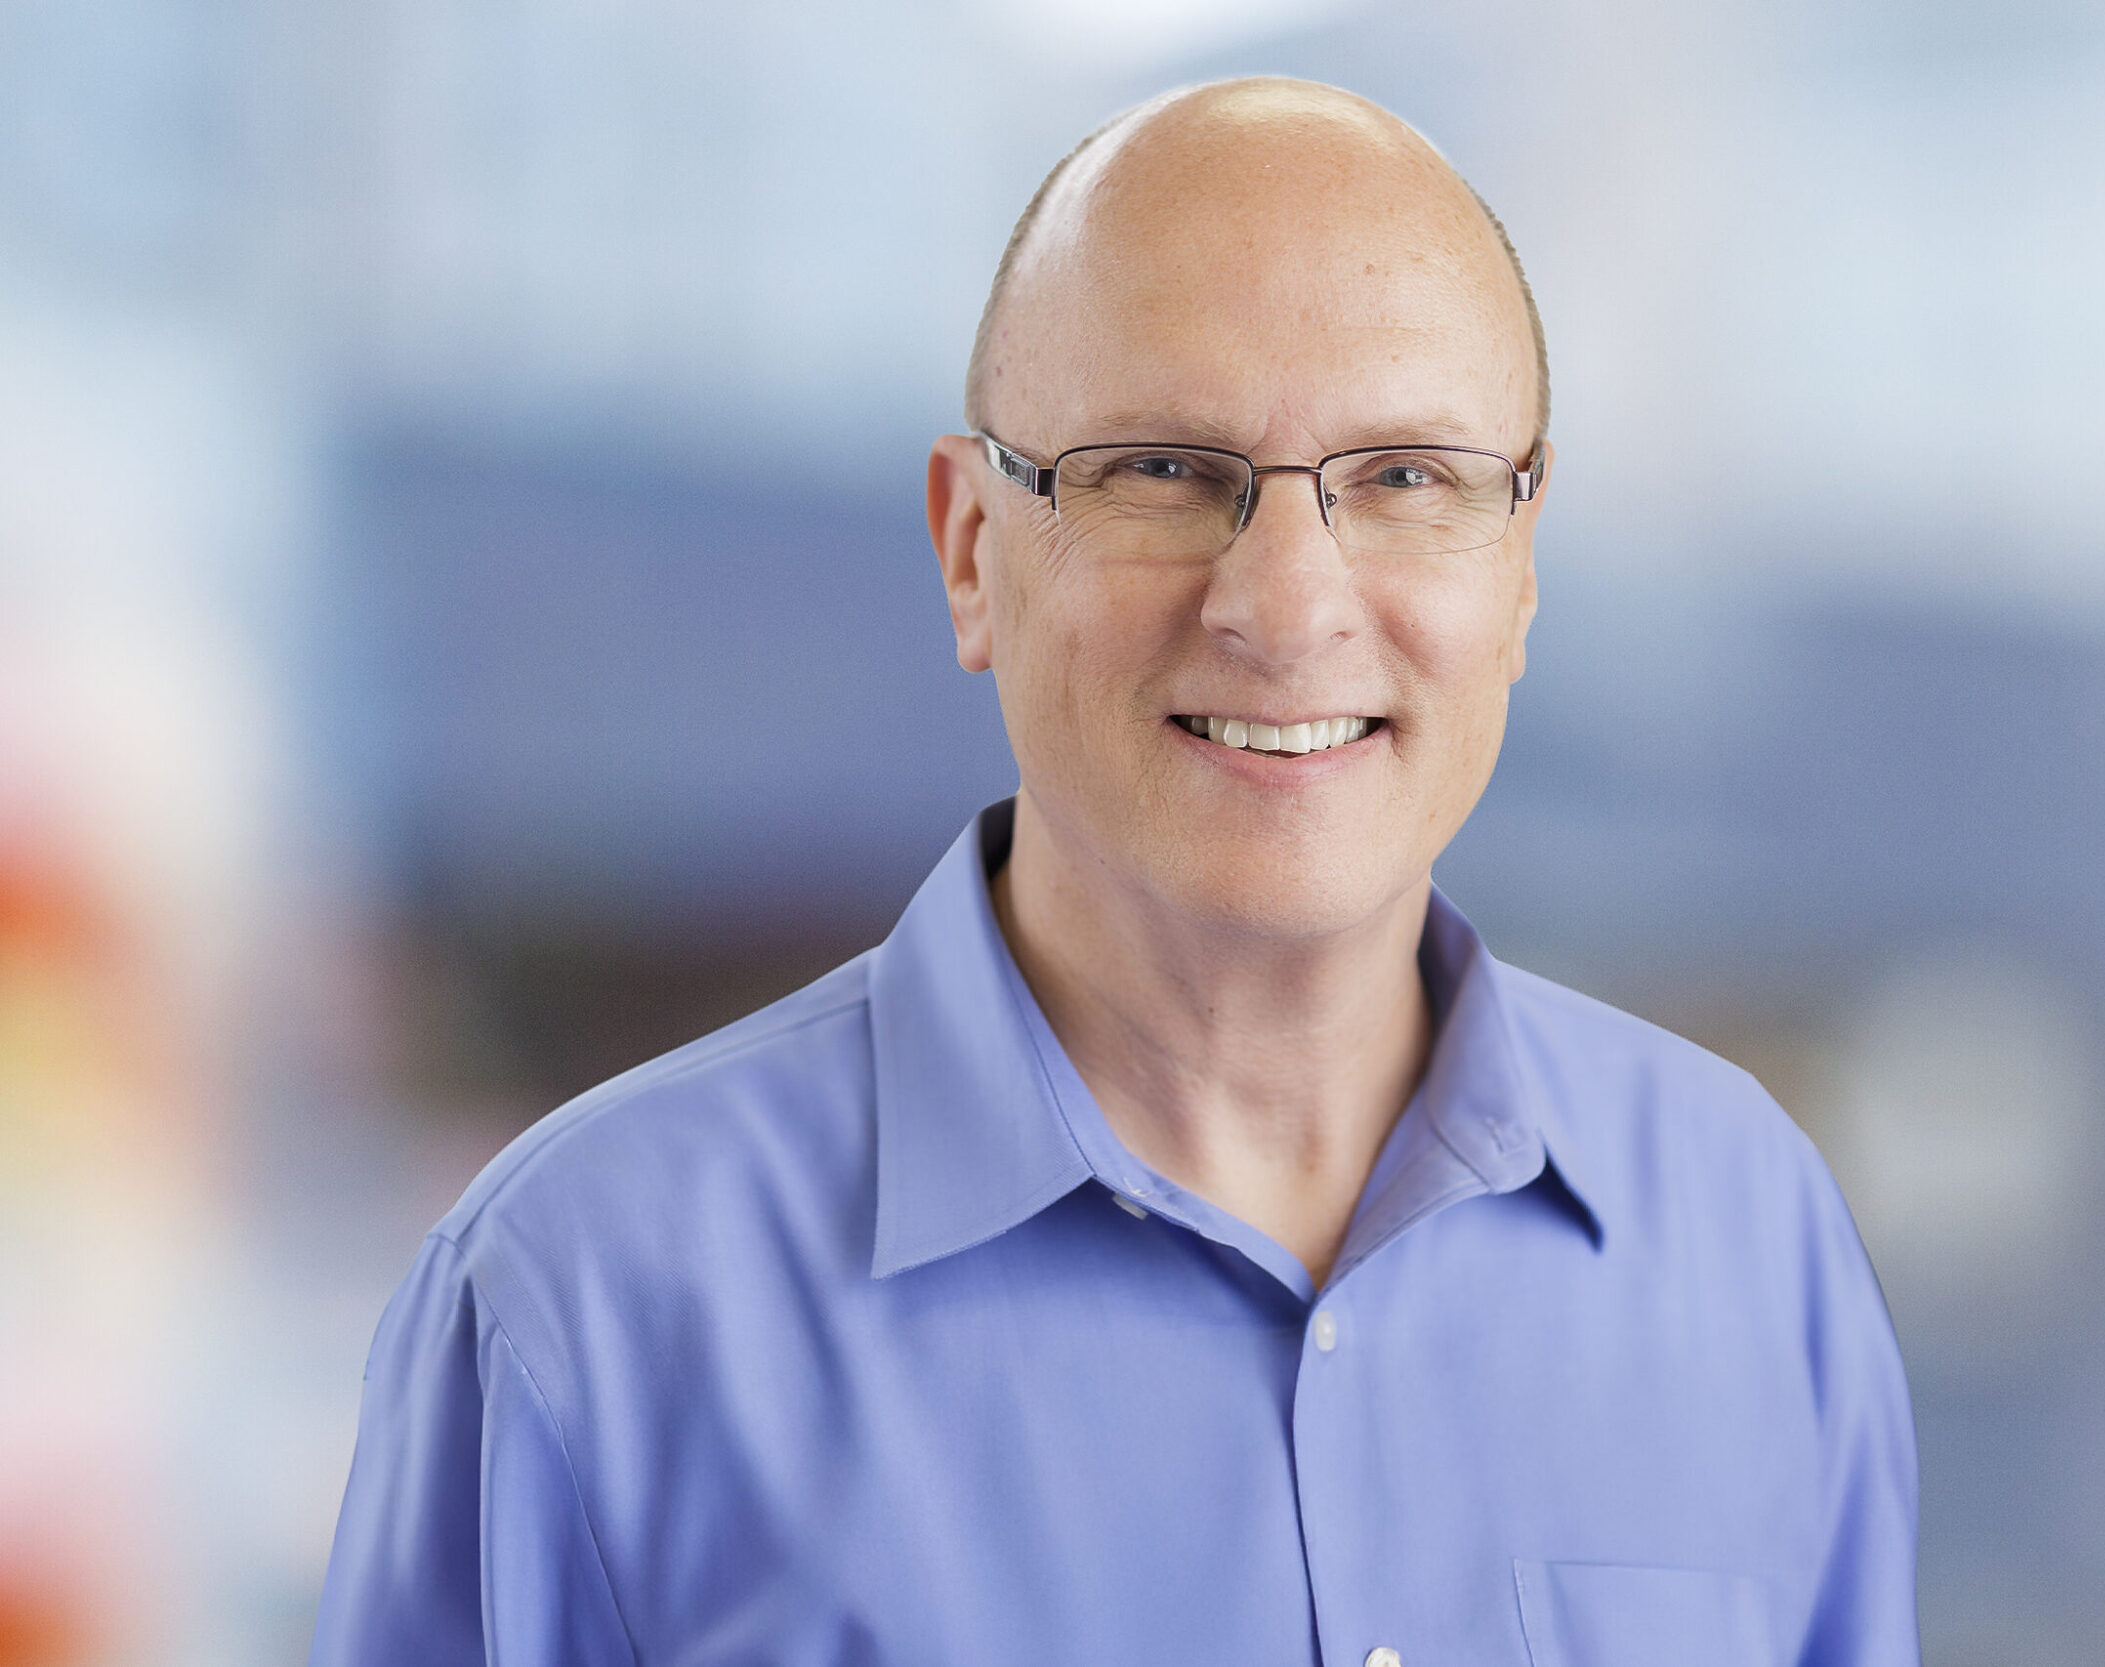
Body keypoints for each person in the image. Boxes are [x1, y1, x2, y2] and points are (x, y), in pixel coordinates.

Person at [311, 77, 1918, 1666]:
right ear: (969, 551)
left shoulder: (1747, 1235)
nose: (1286, 607)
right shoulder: (580, 1306)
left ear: (1520, 563)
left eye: (1406, 479)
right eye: (1160, 470)